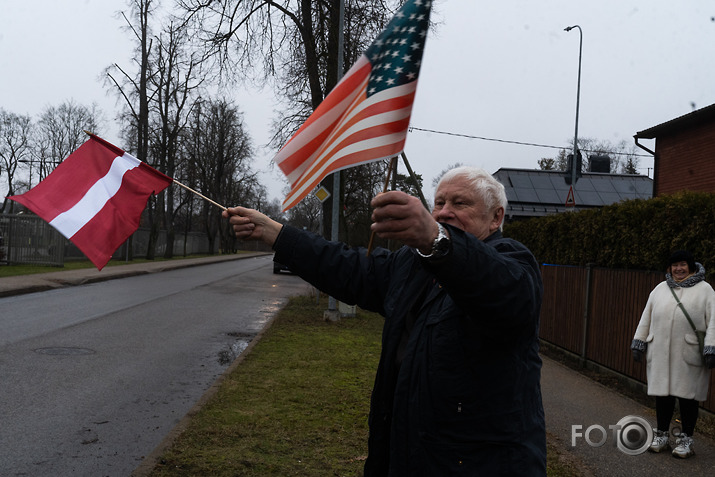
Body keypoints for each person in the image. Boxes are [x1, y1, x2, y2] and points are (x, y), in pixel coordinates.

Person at [223, 166, 546, 475]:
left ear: (496, 217)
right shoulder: (412, 264)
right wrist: (276, 233)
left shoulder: (513, 261)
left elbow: (501, 290)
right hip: (406, 457)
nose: (445, 211)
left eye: (460, 203)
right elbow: (348, 268)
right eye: (439, 202)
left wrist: (437, 241)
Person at [631, 250, 715, 458]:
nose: (678, 268)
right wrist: (639, 341)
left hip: (689, 354)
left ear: (691, 267)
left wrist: (711, 347)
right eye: (674, 265)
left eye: (683, 264)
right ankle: (661, 436)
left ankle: (686, 440)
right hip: (660, 352)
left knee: (688, 398)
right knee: (663, 397)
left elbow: (714, 320)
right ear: (669, 268)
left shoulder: (705, 290)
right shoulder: (660, 289)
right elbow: (646, 316)